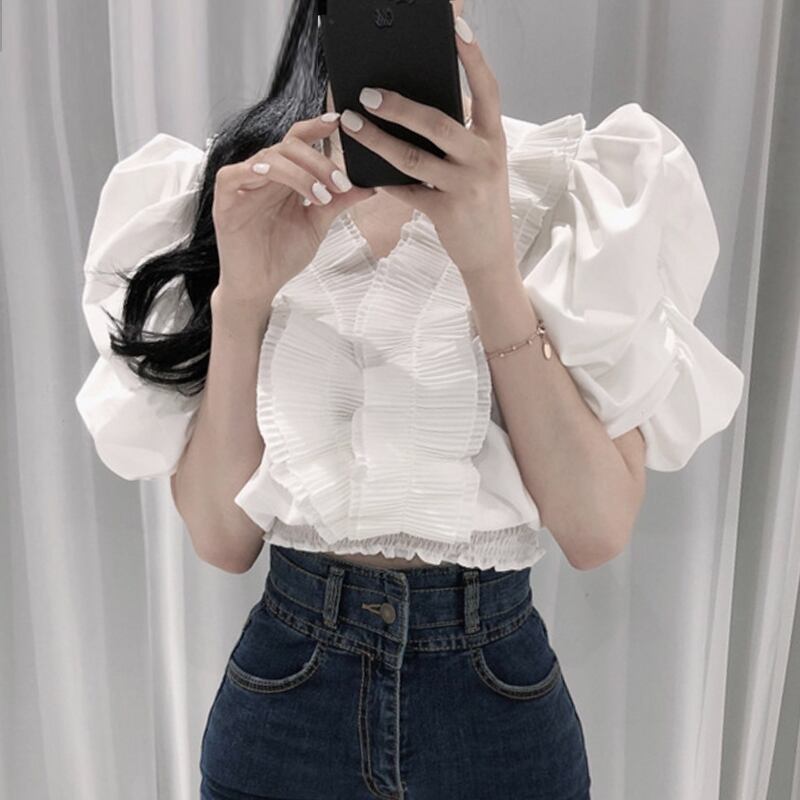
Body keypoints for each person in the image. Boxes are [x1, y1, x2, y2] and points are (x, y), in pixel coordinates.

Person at [74, 0, 745, 797]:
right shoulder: (244, 194)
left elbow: (595, 529)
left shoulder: (573, 188)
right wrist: (244, 298)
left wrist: (490, 265)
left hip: (496, 714)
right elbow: (223, 540)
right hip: (285, 707)